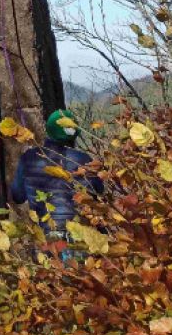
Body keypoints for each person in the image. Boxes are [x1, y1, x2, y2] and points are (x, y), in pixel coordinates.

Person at [10, 109, 103, 258]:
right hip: (79, 234)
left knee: (51, 278)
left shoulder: (29, 158)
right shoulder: (83, 159)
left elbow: (18, 196)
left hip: (46, 236)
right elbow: (99, 191)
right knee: (81, 278)